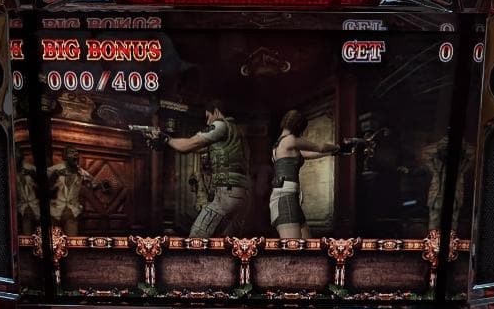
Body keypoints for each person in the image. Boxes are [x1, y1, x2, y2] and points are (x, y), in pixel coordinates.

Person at [146, 98, 250, 236]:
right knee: (224, 243)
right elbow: (197, 148)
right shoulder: (236, 132)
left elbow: (189, 145)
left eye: (208, 117)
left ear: (216, 112)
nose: (207, 122)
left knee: (196, 238)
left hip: (227, 193)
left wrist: (166, 139)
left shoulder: (221, 125)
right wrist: (169, 144)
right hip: (242, 195)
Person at [270, 109, 352, 239]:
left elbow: (309, 154)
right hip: (285, 199)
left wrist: (333, 152)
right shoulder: (290, 140)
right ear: (299, 126)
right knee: (293, 246)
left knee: (308, 243)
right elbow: (320, 147)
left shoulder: (278, 145)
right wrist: (338, 147)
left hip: (289, 197)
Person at [47, 144, 110, 234]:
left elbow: (94, 184)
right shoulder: (53, 170)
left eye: (77, 153)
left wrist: (102, 186)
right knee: (54, 239)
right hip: (54, 213)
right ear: (64, 157)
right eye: (71, 152)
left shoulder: (81, 172)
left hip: (72, 213)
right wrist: (54, 176)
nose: (75, 154)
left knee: (72, 240)